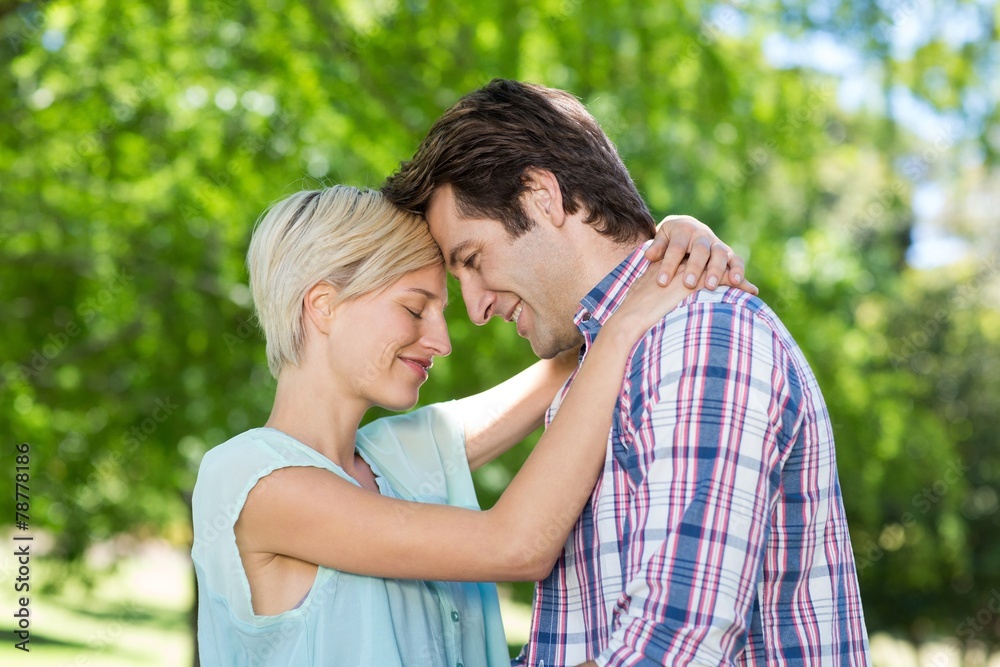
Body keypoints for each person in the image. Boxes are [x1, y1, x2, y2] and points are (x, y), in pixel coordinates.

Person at [381, 78, 872, 666]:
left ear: (542, 196)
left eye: (473, 260)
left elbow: (669, 649)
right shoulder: (604, 366)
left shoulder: (702, 339)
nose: (478, 308)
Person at [190, 185, 748, 666]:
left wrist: (667, 247)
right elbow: (515, 545)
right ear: (323, 305)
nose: (442, 341)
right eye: (415, 309)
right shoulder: (250, 481)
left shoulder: (396, 456)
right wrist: (629, 322)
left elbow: (574, 358)